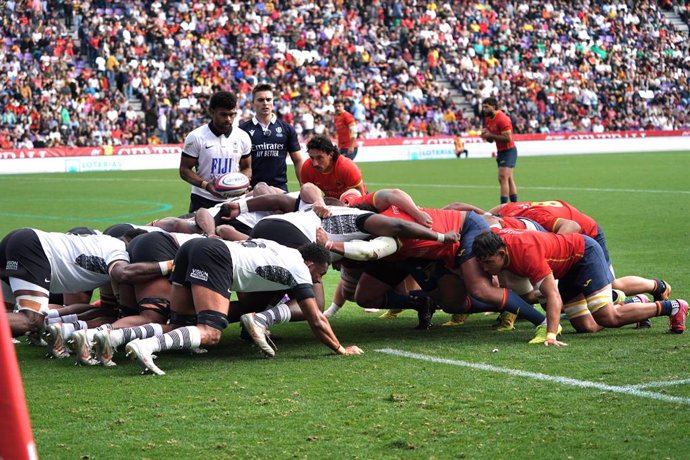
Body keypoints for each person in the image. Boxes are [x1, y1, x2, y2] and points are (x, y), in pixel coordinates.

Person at [124, 239, 363, 375]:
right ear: (310, 263)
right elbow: (316, 318)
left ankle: (112, 337)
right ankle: (146, 346)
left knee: (181, 322)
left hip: (193, 247)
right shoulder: (300, 268)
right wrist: (340, 349)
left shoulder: (283, 250)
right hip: (216, 255)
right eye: (319, 274)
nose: (317, 280)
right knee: (211, 333)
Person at [472, 230, 688, 348]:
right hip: (567, 269)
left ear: (501, 253)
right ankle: (636, 303)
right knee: (586, 326)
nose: (484, 268)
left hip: (585, 256)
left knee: (607, 318)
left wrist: (550, 335)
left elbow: (552, 295)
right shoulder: (496, 242)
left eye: (488, 262)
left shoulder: (526, 253)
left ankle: (674, 307)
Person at [179, 91, 252, 212]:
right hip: (202, 199)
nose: (228, 119)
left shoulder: (243, 137)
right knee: (201, 231)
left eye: (232, 115)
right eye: (223, 114)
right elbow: (184, 170)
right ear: (211, 112)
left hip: (234, 201)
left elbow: (247, 167)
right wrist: (206, 186)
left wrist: (241, 183)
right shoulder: (196, 137)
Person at [239, 83, 304, 192]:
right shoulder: (242, 130)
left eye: (268, 99)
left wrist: (303, 186)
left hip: (280, 189)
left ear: (273, 102)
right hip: (251, 190)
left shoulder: (287, 129)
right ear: (253, 103)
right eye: (260, 100)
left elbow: (298, 160)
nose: (265, 103)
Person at [299, 134, 366, 199]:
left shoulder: (346, 167)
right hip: (330, 203)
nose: (315, 164)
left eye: (319, 158)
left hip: (352, 201)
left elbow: (360, 199)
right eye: (312, 158)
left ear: (331, 154)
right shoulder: (307, 167)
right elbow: (305, 196)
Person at [480, 97, 518, 204]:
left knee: (502, 178)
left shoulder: (502, 119)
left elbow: (508, 138)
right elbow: (492, 140)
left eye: (487, 107)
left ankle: (503, 207)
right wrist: (486, 136)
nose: (484, 109)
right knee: (508, 179)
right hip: (501, 151)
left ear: (494, 107)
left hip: (509, 151)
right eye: (483, 107)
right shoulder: (488, 119)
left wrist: (490, 135)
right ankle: (514, 205)